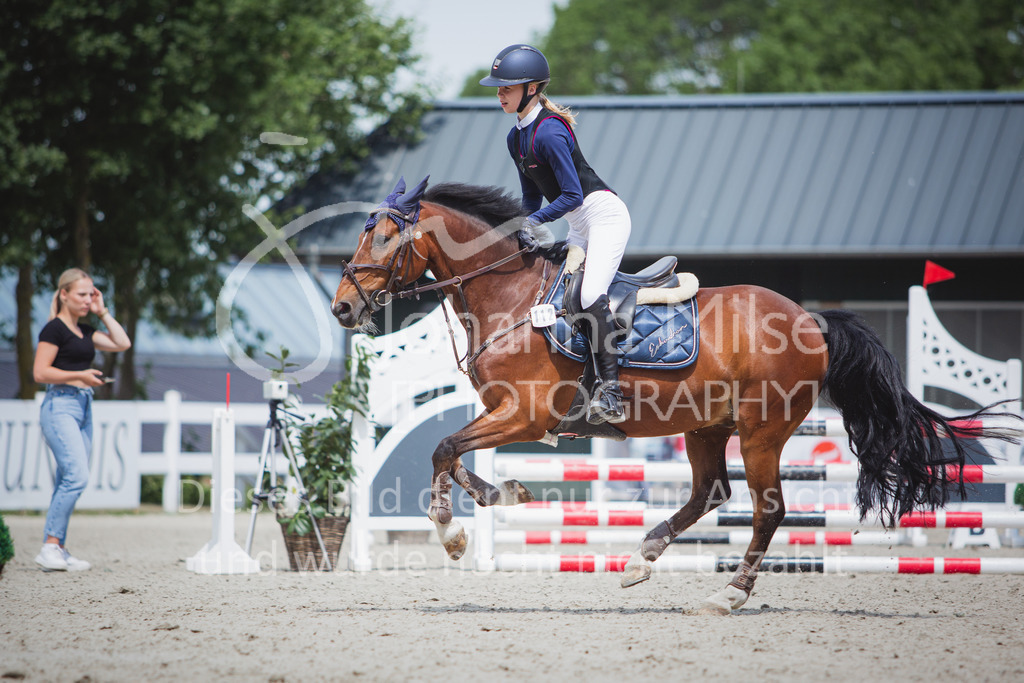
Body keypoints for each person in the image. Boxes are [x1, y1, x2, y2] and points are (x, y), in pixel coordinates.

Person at [480, 44, 632, 425]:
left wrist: (533, 222)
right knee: (559, 297)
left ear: (531, 88)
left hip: (604, 216)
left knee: (589, 295)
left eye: (507, 88)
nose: (500, 94)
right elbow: (532, 197)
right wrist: (520, 225)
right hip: (578, 223)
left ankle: (612, 392)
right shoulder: (516, 138)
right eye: (498, 88)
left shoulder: (548, 132)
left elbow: (572, 195)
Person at [32, 268, 131, 571]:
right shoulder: (54, 330)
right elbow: (40, 372)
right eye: (82, 294)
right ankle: (50, 546)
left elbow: (122, 343)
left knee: (68, 477)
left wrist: (103, 312)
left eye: (91, 294)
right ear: (64, 294)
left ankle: (57, 548)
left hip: (83, 406)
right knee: (77, 476)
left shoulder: (86, 332)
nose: (88, 300)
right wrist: (80, 375)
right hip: (60, 405)